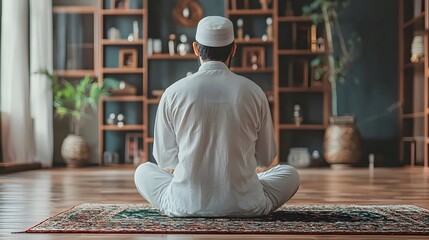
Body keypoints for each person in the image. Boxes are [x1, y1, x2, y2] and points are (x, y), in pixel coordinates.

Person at [134, 16, 300, 217]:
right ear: (233, 49)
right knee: (290, 174)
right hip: (246, 204)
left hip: (184, 204)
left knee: (143, 172)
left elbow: (164, 159)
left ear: (196, 48)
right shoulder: (254, 92)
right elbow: (265, 157)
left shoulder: (172, 93)